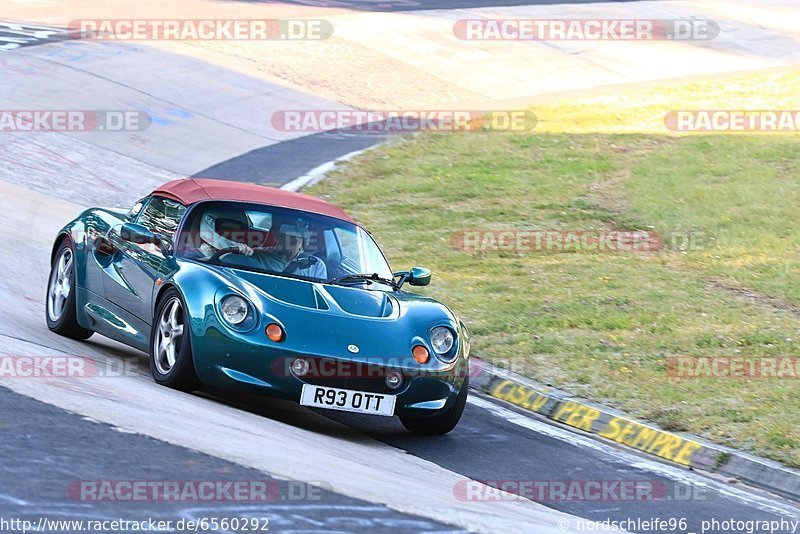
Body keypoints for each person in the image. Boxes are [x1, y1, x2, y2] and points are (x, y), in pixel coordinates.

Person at [255, 223, 327, 280]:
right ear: (276, 235)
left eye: (298, 233)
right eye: (288, 233)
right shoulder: (259, 257)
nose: (294, 238)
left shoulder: (315, 265)